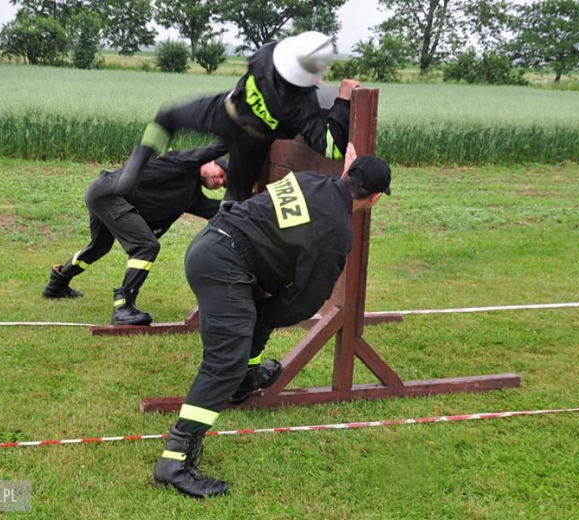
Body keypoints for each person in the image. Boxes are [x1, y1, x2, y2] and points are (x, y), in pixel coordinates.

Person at [152, 144, 392, 498]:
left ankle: (243, 381)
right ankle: (174, 462)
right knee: (223, 365)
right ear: (374, 199)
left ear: (346, 175)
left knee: (246, 334)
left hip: (210, 244)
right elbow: (306, 301)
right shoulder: (338, 233)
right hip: (225, 266)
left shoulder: (312, 180)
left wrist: (260, 315)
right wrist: (266, 317)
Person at [113, 31, 361, 204]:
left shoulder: (267, 54)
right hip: (252, 143)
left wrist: (307, 78)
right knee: (237, 197)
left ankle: (136, 165)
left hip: (224, 111)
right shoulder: (301, 105)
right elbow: (332, 146)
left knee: (167, 118)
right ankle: (223, 238)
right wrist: (342, 100)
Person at [42, 141, 229, 325]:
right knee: (146, 246)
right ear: (209, 162)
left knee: (99, 247)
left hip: (104, 194)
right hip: (110, 193)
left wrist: (251, 199)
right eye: (221, 174)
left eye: (223, 183)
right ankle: (123, 307)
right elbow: (212, 148)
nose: (219, 181)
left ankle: (56, 285)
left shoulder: (192, 196)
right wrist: (240, 136)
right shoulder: (183, 162)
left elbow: (223, 210)